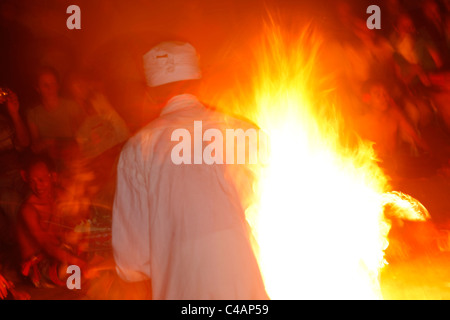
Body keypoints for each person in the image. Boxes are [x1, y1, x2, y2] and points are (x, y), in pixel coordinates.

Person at [112, 41, 268, 299]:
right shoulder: (245, 132)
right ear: (199, 84)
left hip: (179, 289)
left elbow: (131, 259)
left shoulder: (137, 149)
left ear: (152, 93)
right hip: (245, 286)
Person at [16, 155, 87, 288]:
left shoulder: (58, 195)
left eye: (41, 180)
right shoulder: (28, 209)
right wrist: (75, 260)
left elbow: (76, 221)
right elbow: (46, 245)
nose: (37, 186)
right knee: (70, 269)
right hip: (40, 266)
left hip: (60, 253)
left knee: (90, 236)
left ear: (53, 177)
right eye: (32, 181)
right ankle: (76, 287)